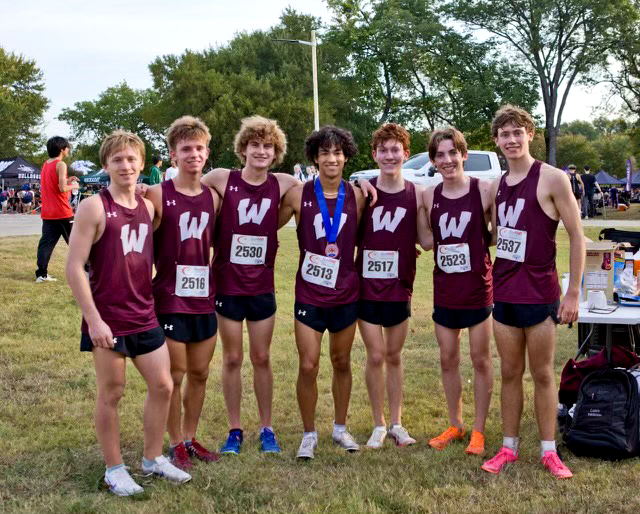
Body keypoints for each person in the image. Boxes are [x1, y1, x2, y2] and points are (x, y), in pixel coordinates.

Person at [66, 130, 191, 497]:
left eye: (132, 158)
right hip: (108, 316)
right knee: (112, 392)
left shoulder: (148, 206)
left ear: (141, 163)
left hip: (145, 312)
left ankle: (152, 457)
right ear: (106, 165)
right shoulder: (92, 206)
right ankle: (114, 468)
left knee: (164, 385)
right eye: (117, 159)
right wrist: (94, 320)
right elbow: (74, 267)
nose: (126, 165)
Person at [482, 105, 584, 479]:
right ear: (496, 141)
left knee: (543, 374)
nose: (511, 139)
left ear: (530, 133)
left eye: (516, 132)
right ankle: (507, 448)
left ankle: (548, 451)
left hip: (541, 294)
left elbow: (577, 236)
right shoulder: (496, 185)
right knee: (510, 373)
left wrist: (572, 294)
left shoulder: (553, 179)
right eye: (504, 134)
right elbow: (493, 233)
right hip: (505, 293)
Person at [201, 115, 299, 454]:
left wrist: (368, 185)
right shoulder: (220, 178)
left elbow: (326, 188)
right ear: (243, 148)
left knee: (261, 357)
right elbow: (186, 193)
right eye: (255, 144)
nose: (261, 151)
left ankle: (266, 428)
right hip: (227, 283)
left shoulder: (284, 183)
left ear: (276, 152)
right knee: (231, 358)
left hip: (261, 286)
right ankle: (234, 429)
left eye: (268, 146)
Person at [279, 125, 375, 459]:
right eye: (324, 153)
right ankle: (308, 433)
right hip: (309, 293)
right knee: (308, 365)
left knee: (341, 361)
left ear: (346, 156)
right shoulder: (297, 194)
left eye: (337, 152)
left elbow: (368, 238)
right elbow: (265, 222)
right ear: (314, 158)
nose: (331, 158)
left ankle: (339, 427)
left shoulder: (360, 194)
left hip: (346, 291)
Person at [145, 116, 221, 469]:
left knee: (201, 373)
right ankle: (174, 441)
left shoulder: (214, 197)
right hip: (170, 298)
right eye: (185, 149)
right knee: (174, 375)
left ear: (207, 153)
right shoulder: (159, 194)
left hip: (204, 297)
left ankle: (190, 437)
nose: (193, 154)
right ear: (173, 155)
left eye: (199, 148)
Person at [356, 123, 429, 449]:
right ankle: (378, 424)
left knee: (395, 356)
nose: (389, 155)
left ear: (405, 153)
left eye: (394, 149)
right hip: (367, 286)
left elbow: (427, 239)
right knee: (375, 355)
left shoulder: (417, 194)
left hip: (400, 285)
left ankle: (397, 423)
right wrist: (356, 180)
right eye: (383, 150)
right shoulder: (362, 192)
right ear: (375, 154)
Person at [423, 127, 494, 456]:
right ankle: (456, 423)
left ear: (464, 154)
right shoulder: (428, 194)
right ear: (433, 160)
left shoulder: (484, 190)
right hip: (445, 290)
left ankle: (478, 430)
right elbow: (426, 241)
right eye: (440, 155)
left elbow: (494, 234)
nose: (447, 160)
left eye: (453, 153)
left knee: (480, 361)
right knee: (448, 359)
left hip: (478, 289)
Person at [35, 136, 79, 282]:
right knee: (77, 242)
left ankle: (41, 274)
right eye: (67, 147)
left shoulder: (46, 164)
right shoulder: (61, 164)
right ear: (62, 149)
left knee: (46, 244)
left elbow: (53, 185)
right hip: (62, 211)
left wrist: (68, 180)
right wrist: (73, 186)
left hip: (48, 212)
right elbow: (61, 189)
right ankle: (90, 271)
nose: (68, 150)